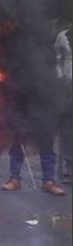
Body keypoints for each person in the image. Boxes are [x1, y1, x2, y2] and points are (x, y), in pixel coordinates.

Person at [55, 27, 71, 183]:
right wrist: (60, 78)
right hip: (68, 88)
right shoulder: (62, 36)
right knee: (67, 128)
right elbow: (58, 59)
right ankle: (69, 165)